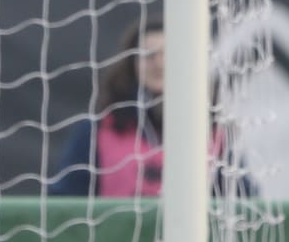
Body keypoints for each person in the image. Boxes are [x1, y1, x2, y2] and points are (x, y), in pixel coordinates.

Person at [49, 15, 251, 197]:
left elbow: (244, 199)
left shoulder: (213, 134)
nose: (159, 63)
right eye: (149, 55)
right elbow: (65, 198)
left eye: (168, 54)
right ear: (133, 64)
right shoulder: (98, 130)